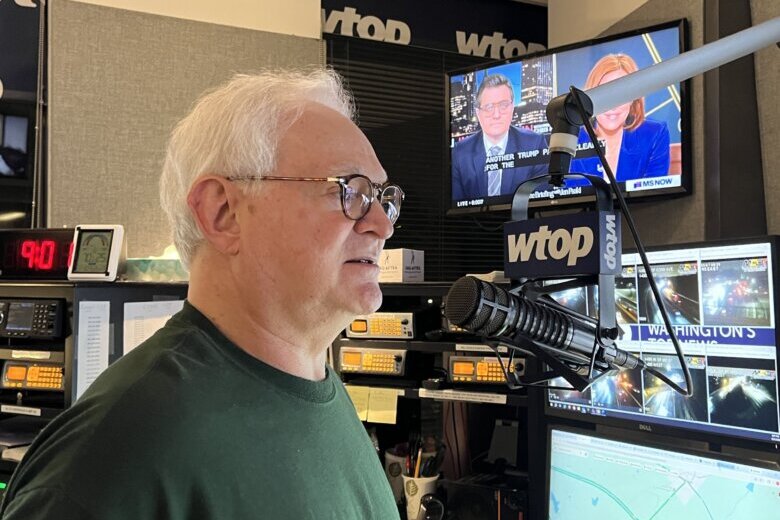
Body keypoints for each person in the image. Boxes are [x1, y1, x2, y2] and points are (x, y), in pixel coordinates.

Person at [0, 70, 403, 519]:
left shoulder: (320, 394)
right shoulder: (119, 452)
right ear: (223, 212)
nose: (382, 226)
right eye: (350, 191)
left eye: (383, 199)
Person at [570, 54, 671, 181]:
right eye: (604, 94)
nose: (612, 106)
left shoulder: (654, 134)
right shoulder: (571, 140)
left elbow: (655, 189)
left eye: (621, 94)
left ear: (633, 99)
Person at [451, 73, 548, 201]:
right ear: (478, 113)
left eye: (503, 105)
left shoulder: (535, 144)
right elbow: (457, 207)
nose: (496, 115)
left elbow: (542, 201)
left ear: (512, 107)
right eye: (489, 107)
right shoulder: (460, 153)